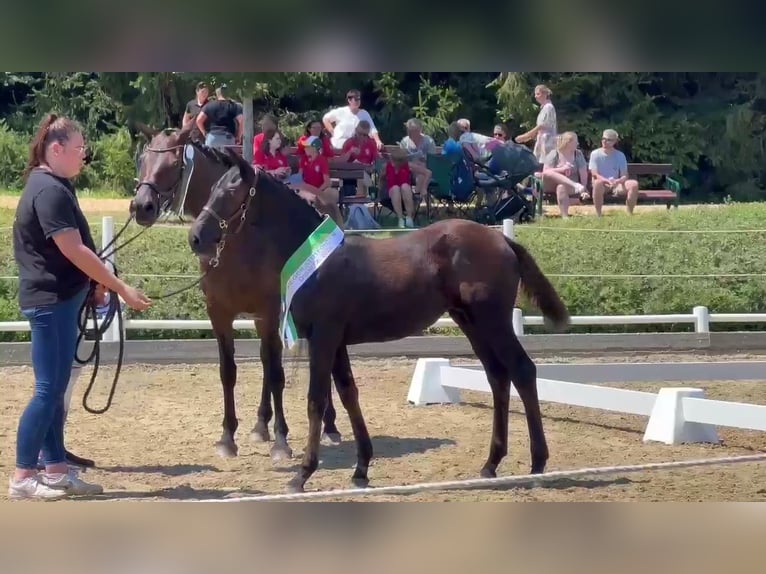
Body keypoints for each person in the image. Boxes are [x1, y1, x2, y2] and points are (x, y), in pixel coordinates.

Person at [10, 113, 152, 500]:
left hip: (61, 298)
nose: (83, 157)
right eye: (78, 150)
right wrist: (118, 286)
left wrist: (94, 285)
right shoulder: (49, 191)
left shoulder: (53, 186)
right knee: (47, 389)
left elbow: (74, 251)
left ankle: (55, 469)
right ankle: (24, 474)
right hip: (50, 301)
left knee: (54, 389)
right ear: (56, 149)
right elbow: (72, 249)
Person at [589, 128, 639, 216]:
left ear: (614, 141)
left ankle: (630, 214)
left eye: (608, 140)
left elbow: (624, 175)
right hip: (602, 184)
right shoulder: (595, 154)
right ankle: (598, 214)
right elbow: (594, 173)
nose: (604, 141)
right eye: (603, 138)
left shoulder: (620, 155)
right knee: (597, 183)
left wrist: (617, 181)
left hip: (616, 184)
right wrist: (606, 181)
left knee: (633, 184)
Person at [195, 85, 244, 150]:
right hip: (228, 138)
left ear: (217, 94)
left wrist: (204, 133)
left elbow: (199, 120)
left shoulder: (209, 105)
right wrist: (238, 136)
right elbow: (242, 120)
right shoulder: (234, 106)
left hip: (212, 138)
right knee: (228, 160)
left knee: (211, 159)